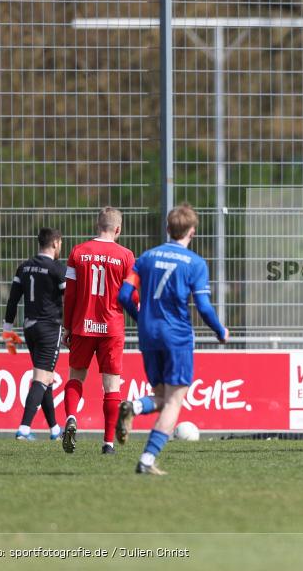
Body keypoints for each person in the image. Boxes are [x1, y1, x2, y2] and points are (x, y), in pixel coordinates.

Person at [116, 203, 228, 475]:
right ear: (192, 232)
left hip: (148, 334)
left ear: (168, 229)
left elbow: (123, 296)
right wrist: (219, 330)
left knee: (160, 397)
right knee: (174, 401)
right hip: (176, 337)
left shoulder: (145, 258)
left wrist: (140, 316)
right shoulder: (195, 264)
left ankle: (133, 405)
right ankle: (147, 459)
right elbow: (203, 306)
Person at [61, 207, 135, 455]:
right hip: (111, 326)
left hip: (83, 324)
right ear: (118, 229)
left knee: (75, 377)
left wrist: (67, 326)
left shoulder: (78, 252)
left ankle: (71, 418)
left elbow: (69, 294)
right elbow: (131, 296)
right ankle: (108, 444)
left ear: (96, 225)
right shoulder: (126, 256)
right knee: (111, 386)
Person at [2, 228, 66, 441]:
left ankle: (55, 429)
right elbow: (70, 300)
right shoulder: (57, 269)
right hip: (49, 328)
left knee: (45, 376)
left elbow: (13, 299)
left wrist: (7, 329)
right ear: (56, 243)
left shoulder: (24, 267)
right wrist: (72, 327)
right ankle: (24, 429)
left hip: (29, 328)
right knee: (42, 377)